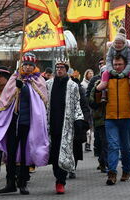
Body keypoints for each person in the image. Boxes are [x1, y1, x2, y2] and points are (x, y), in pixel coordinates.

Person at [0, 52, 49, 195]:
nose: (28, 68)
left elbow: (40, 102)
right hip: (12, 123)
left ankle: (22, 183)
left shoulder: (38, 80)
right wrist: (17, 87)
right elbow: (5, 98)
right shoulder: (14, 78)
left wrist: (24, 88)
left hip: (27, 124)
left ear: (34, 66)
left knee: (25, 154)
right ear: (22, 64)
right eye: (26, 65)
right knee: (10, 154)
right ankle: (10, 183)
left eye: (31, 65)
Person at [96, 54, 130, 185]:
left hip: (127, 117)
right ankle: (112, 173)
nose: (117, 67)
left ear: (125, 65)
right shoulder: (107, 76)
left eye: (120, 64)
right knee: (113, 146)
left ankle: (126, 170)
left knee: (126, 147)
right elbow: (96, 100)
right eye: (115, 64)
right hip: (110, 117)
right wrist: (98, 88)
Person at [46, 60, 84, 194]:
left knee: (64, 153)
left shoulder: (72, 85)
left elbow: (77, 103)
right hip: (51, 125)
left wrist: (79, 119)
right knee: (54, 154)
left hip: (66, 126)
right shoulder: (48, 84)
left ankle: (61, 181)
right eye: (57, 67)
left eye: (62, 67)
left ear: (66, 69)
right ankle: (57, 176)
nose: (59, 70)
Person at [88, 65, 108, 173]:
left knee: (108, 143)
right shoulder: (96, 87)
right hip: (99, 119)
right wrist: (98, 101)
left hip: (111, 118)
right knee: (101, 143)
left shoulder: (113, 85)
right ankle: (102, 161)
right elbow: (91, 103)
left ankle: (105, 163)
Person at [81, 69, 94, 152]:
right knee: (87, 126)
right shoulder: (83, 84)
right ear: (86, 74)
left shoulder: (94, 83)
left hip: (92, 107)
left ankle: (88, 144)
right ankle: (86, 142)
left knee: (91, 126)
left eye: (92, 73)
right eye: (89, 73)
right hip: (85, 108)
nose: (91, 74)